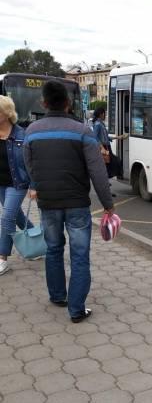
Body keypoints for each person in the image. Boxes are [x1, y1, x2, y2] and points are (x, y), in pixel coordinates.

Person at [23, 80, 114, 323]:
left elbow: (30, 167)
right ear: (68, 103)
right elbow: (98, 173)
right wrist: (108, 204)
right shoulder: (82, 131)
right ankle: (76, 309)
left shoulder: (31, 132)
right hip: (77, 205)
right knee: (80, 255)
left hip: (48, 204)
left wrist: (40, 186)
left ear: (43, 103)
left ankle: (57, 296)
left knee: (53, 249)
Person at [0, 95, 34, 276]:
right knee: (16, 215)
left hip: (17, 182)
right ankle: (37, 241)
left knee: (7, 218)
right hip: (1, 184)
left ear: (6, 113)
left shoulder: (22, 134)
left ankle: (2, 258)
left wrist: (34, 185)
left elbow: (32, 162)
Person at [92, 107, 128, 194]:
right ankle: (104, 185)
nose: (105, 115)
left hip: (107, 147)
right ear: (100, 114)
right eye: (104, 113)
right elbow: (95, 138)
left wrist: (118, 137)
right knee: (111, 164)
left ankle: (105, 185)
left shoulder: (102, 124)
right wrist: (102, 147)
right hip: (103, 148)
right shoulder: (97, 124)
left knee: (109, 166)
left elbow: (106, 137)